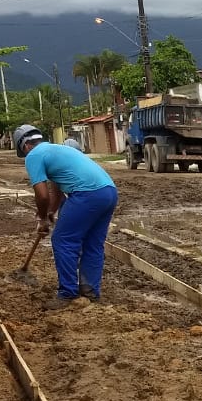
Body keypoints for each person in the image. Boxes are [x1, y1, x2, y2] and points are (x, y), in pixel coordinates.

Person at [14, 123, 119, 308]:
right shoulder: (58, 150)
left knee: (63, 240)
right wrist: (51, 212)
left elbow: (42, 194)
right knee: (93, 244)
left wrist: (42, 218)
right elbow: (57, 191)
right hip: (108, 192)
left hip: (86, 194)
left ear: (25, 146)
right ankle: (90, 291)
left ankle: (67, 293)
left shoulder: (33, 155)